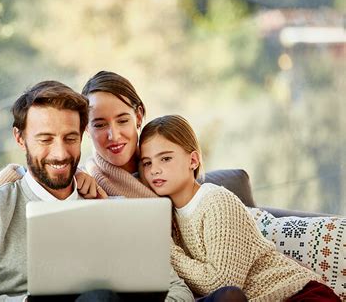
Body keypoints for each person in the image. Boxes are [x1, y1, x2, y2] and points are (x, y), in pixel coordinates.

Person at [0, 71, 247, 301]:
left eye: (122, 120)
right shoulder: (92, 186)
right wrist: (17, 174)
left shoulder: (164, 172)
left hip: (190, 273)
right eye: (99, 124)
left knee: (229, 297)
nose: (113, 135)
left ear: (139, 116)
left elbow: (181, 273)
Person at [0, 81, 193, 301]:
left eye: (70, 139)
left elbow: (178, 290)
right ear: (20, 139)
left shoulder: (110, 209)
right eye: (45, 139)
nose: (60, 153)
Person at [139, 114, 341, 302]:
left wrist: (166, 249)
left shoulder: (216, 202)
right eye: (147, 163)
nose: (154, 170)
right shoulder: (169, 215)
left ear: (193, 160)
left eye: (165, 158)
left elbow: (221, 283)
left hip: (295, 294)